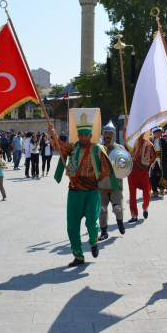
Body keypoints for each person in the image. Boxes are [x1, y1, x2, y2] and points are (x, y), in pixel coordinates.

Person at [51, 111, 117, 267]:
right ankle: (78, 256)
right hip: (74, 191)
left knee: (91, 223)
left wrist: (97, 178)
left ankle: (93, 242)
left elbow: (107, 168)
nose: (83, 138)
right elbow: (59, 147)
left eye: (86, 135)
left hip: (92, 192)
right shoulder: (73, 148)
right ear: (78, 136)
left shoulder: (97, 149)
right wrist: (53, 135)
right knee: (72, 226)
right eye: (81, 136)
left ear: (90, 136)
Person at [98, 120, 126, 240]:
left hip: (116, 185)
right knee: (102, 209)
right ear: (103, 134)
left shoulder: (120, 149)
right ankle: (104, 231)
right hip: (102, 184)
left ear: (113, 135)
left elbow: (125, 166)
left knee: (117, 207)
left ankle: (120, 221)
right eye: (106, 133)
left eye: (110, 133)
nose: (108, 135)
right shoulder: (98, 149)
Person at [126, 130, 155, 223]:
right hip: (132, 172)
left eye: (142, 132)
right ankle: (134, 215)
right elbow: (124, 155)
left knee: (147, 192)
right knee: (132, 194)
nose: (141, 134)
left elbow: (154, 156)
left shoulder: (149, 144)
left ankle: (145, 207)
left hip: (143, 172)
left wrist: (146, 162)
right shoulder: (130, 144)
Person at [150, 126, 167, 198]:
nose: (159, 133)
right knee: (153, 175)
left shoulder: (163, 141)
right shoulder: (150, 141)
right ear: (154, 133)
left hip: (162, 161)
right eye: (157, 132)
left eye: (160, 132)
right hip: (153, 161)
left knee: (163, 174)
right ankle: (155, 191)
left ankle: (162, 189)